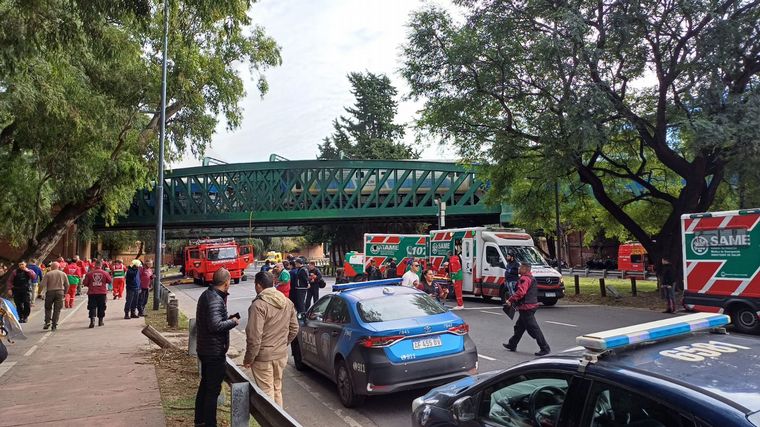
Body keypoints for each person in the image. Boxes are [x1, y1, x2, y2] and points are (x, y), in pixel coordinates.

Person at [243, 271, 298, 407]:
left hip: (263, 357)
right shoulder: (287, 302)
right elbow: (294, 328)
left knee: (266, 392)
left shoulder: (258, 305)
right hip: (280, 355)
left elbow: (254, 337)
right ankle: (279, 420)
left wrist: (249, 359)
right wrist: (283, 344)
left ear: (259, 286)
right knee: (277, 389)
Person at [194, 268, 239, 427]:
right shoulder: (214, 298)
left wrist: (226, 319)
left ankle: (200, 421)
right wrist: (232, 322)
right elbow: (214, 325)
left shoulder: (209, 295)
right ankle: (209, 423)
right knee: (212, 392)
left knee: (205, 387)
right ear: (227, 282)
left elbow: (213, 321)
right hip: (213, 352)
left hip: (206, 349)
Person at [503, 262, 551, 356]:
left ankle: (545, 348)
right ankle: (512, 344)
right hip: (530, 305)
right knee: (519, 327)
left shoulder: (524, 278)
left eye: (520, 267)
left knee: (534, 329)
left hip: (526, 307)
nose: (518, 269)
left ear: (525, 269)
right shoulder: (531, 278)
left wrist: (510, 300)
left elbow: (521, 292)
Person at [82, 260, 112, 328]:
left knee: (92, 307)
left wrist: (91, 284)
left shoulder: (89, 273)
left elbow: (85, 283)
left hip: (92, 293)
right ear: (101, 265)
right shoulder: (105, 273)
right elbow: (110, 281)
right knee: (101, 307)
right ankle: (100, 321)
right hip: (102, 292)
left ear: (95, 265)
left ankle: (92, 321)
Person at [40, 261, 68, 330]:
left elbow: (42, 284)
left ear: (51, 267)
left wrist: (41, 292)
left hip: (50, 292)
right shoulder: (63, 274)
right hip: (60, 292)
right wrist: (65, 293)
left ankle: (47, 322)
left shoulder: (48, 274)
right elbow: (67, 284)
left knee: (48, 308)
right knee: (57, 309)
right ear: (58, 267)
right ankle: (54, 324)